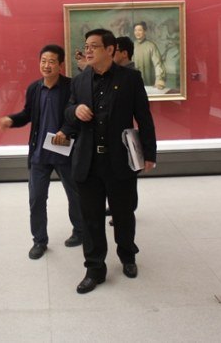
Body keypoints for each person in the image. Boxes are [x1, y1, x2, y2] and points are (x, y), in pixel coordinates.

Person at [65, 29, 157, 294]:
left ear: (110, 49)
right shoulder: (79, 81)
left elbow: (144, 117)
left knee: (123, 214)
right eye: (86, 46)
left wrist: (149, 153)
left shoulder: (130, 79)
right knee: (91, 219)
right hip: (88, 161)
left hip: (119, 160)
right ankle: (94, 269)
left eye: (94, 46)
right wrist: (75, 110)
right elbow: (67, 112)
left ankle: (127, 256)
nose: (88, 50)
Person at [0, 44, 83, 260]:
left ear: (60, 65)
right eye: (43, 61)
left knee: (75, 195)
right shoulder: (34, 88)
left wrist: (66, 130)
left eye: (52, 61)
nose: (46, 65)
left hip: (64, 150)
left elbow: (76, 116)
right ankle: (39, 241)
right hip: (39, 153)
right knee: (36, 198)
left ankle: (80, 231)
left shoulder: (71, 87)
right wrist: (11, 120)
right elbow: (27, 114)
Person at [132, 21, 166, 89]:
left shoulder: (151, 46)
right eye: (135, 30)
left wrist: (159, 80)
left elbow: (158, 64)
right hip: (133, 83)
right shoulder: (131, 45)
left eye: (140, 30)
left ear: (145, 32)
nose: (137, 32)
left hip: (148, 83)